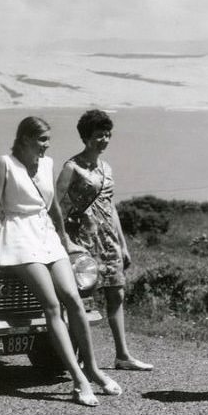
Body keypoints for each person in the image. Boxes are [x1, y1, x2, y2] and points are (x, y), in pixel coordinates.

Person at [0, 116, 122, 407]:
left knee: (73, 299)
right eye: (42, 139)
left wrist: (65, 240)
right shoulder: (5, 164)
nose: (47, 145)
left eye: (48, 139)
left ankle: (94, 370)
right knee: (51, 305)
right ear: (24, 138)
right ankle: (78, 379)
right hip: (20, 238)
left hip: (47, 237)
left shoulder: (47, 164)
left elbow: (54, 208)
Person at [56, 109, 153, 371]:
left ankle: (122, 355)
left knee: (116, 294)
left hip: (108, 239)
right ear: (86, 137)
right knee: (80, 299)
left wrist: (122, 244)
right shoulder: (71, 167)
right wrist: (64, 240)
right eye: (99, 135)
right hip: (81, 242)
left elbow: (110, 207)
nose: (104, 140)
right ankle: (80, 358)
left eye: (107, 135)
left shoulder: (106, 167)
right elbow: (55, 206)